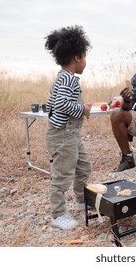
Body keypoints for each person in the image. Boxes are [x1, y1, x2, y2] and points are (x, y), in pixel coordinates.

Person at [44, 25, 92, 230]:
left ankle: (81, 201)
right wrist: (82, 109)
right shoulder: (67, 79)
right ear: (77, 57)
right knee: (62, 174)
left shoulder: (65, 78)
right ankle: (58, 214)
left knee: (83, 166)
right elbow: (61, 104)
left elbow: (52, 102)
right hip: (63, 135)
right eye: (85, 56)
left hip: (71, 134)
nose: (86, 61)